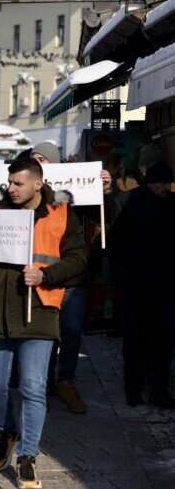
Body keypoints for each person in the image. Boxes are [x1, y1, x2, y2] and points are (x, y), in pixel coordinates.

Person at [0, 158, 86, 489]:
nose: (11, 188)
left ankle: (27, 455)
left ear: (37, 184)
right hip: (0, 311)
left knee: (33, 386)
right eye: (10, 182)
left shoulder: (62, 213)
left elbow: (78, 259)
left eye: (18, 183)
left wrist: (45, 275)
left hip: (41, 308)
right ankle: (7, 429)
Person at [29, 141, 110, 414]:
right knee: (46, 333)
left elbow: (103, 214)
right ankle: (45, 383)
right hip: (41, 276)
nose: (38, 163)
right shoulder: (27, 192)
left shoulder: (75, 189)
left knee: (71, 331)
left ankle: (66, 381)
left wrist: (104, 190)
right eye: (34, 159)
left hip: (71, 277)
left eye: (43, 159)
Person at [108, 162, 174, 409]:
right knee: (135, 338)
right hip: (134, 285)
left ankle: (159, 390)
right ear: (151, 182)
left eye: (168, 182)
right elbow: (113, 240)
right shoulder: (130, 202)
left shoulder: (171, 204)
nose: (166, 187)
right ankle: (132, 388)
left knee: (164, 339)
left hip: (165, 285)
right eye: (161, 182)